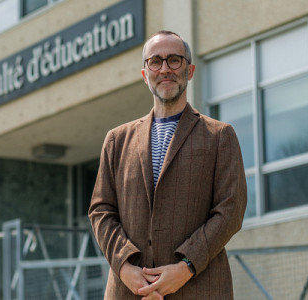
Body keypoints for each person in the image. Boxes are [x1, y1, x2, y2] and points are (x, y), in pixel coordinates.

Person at [89, 30, 247, 300]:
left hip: (199, 288)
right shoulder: (117, 140)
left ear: (190, 70)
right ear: (144, 74)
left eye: (175, 60)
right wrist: (125, 267)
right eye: (155, 61)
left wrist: (186, 267)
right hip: (129, 291)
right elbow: (101, 210)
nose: (165, 69)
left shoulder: (220, 136)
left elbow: (230, 210)